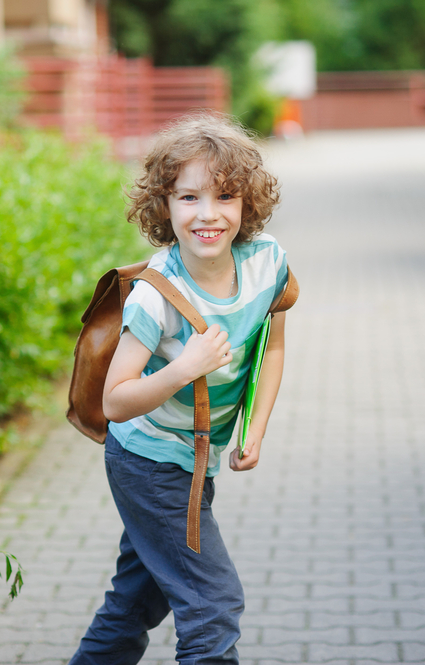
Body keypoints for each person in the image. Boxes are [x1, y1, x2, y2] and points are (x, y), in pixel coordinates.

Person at [69, 113, 289, 665]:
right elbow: (115, 401)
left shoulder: (269, 265)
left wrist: (255, 429)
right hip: (147, 461)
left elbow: (274, 347)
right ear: (164, 206)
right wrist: (184, 367)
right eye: (188, 197)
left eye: (225, 196)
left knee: (135, 602)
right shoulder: (155, 295)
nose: (208, 214)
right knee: (212, 604)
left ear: (248, 205)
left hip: (197, 458)